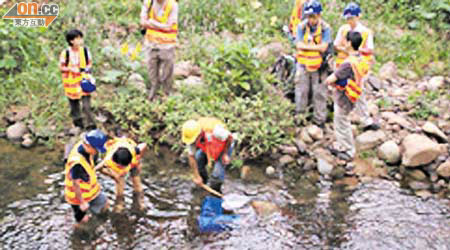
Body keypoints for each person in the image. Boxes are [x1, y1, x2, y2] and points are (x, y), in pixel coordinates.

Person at [333, 2, 379, 131]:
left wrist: (354, 51)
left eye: (351, 18)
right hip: (343, 64)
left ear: (358, 16)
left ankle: (365, 120)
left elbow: (370, 50)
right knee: (340, 90)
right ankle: (341, 118)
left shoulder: (365, 32)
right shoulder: (343, 29)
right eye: (348, 18)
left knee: (359, 92)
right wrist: (346, 50)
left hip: (358, 66)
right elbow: (336, 45)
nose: (350, 21)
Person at [325, 31, 370, 161]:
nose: (343, 43)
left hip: (344, 98)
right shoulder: (361, 59)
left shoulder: (348, 63)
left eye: (345, 40)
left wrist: (332, 76)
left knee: (341, 123)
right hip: (353, 96)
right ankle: (344, 146)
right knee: (343, 121)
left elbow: (331, 79)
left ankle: (348, 150)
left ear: (350, 43)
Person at [294, 0, 332, 128]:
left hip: (319, 66)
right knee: (301, 91)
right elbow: (298, 45)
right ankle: (300, 118)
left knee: (319, 93)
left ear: (319, 15)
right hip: (303, 64)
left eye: (313, 16)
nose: (311, 19)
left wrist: (307, 47)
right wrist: (315, 47)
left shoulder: (326, 28)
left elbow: (324, 48)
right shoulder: (302, 26)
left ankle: (319, 120)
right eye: (309, 16)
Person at [64, 129, 109, 227]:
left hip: (91, 191)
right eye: (96, 149)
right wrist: (82, 202)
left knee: (105, 204)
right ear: (88, 146)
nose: (97, 152)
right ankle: (78, 235)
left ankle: (99, 223)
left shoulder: (86, 147)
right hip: (77, 198)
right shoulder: (76, 163)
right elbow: (75, 183)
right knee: (83, 222)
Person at [181, 117, 234, 193]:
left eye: (194, 140)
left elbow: (230, 138)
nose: (193, 143)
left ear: (199, 134)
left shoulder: (217, 132)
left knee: (217, 175)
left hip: (223, 145)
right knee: (198, 158)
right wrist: (197, 176)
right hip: (208, 145)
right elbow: (191, 156)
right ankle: (203, 181)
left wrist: (225, 154)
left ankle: (216, 189)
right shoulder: (192, 135)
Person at [96, 137, 147, 213]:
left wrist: (138, 159)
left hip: (132, 160)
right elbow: (98, 169)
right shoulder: (108, 160)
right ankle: (119, 203)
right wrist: (113, 175)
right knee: (119, 184)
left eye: (124, 166)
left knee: (136, 182)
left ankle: (141, 201)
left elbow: (144, 145)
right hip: (116, 163)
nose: (123, 168)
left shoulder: (133, 151)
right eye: (121, 166)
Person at [140, 0, 178, 100]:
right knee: (152, 73)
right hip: (151, 44)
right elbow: (143, 22)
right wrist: (159, 25)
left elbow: (169, 26)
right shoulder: (148, 3)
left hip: (167, 45)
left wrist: (152, 23)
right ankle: (153, 96)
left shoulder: (172, 5)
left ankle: (166, 96)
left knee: (167, 74)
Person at [59, 29, 96, 130]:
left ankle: (90, 125)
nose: (80, 41)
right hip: (70, 83)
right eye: (78, 39)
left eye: (80, 38)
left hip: (83, 81)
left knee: (86, 104)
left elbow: (90, 63)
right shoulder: (65, 53)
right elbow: (61, 67)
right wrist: (71, 69)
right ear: (71, 41)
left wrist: (87, 69)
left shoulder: (84, 51)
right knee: (74, 104)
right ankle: (78, 124)